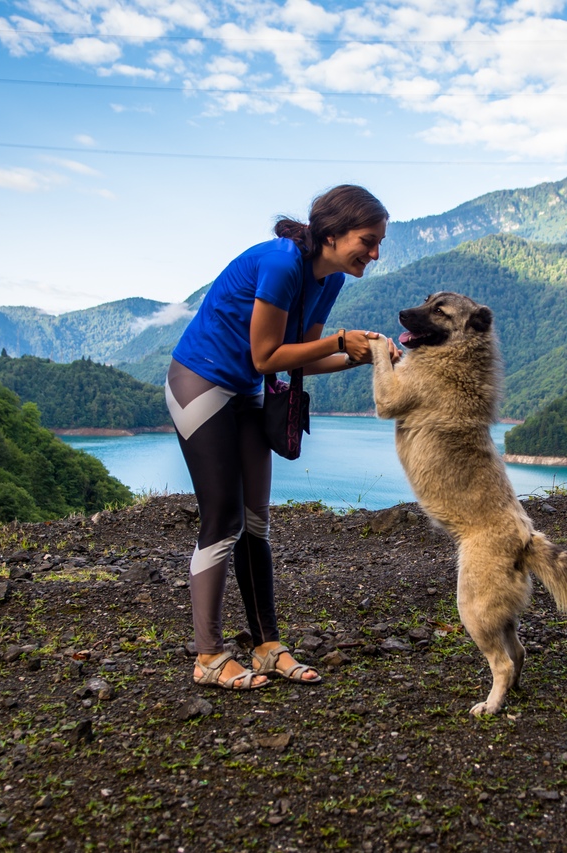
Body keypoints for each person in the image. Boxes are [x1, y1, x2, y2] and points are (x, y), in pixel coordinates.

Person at [165, 185, 396, 690]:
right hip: (200, 381)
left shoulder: (330, 278)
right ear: (332, 234)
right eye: (368, 240)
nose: (375, 253)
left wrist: (358, 355)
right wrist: (339, 340)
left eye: (379, 243)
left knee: (255, 522)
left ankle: (267, 646)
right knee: (223, 519)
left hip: (245, 389)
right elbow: (267, 355)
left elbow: (303, 355)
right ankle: (208, 656)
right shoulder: (281, 264)